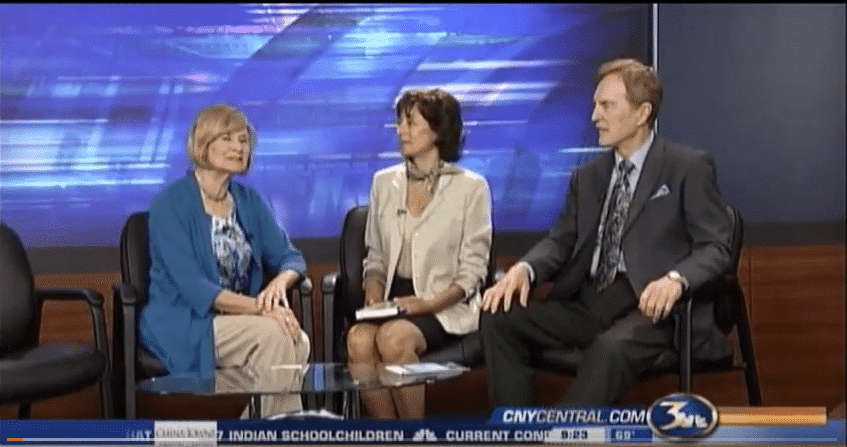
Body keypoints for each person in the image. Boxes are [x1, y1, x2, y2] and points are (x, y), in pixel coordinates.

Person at [480, 58, 733, 406]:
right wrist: (526, 268)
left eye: (607, 106)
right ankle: (516, 430)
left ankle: (564, 432)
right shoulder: (587, 177)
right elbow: (561, 241)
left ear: (642, 113)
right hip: (589, 300)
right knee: (499, 317)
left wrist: (675, 279)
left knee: (610, 348)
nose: (594, 116)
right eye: (595, 105)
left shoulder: (687, 167)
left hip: (651, 308)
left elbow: (716, 246)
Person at [140, 104, 310, 418]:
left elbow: (291, 257)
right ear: (203, 143)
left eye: (243, 140)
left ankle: (253, 432)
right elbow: (194, 287)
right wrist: (262, 308)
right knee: (276, 336)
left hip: (241, 318)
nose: (238, 147)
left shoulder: (249, 200)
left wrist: (280, 282)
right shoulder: (170, 204)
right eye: (227, 138)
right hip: (187, 321)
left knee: (298, 341)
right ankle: (278, 432)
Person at [346, 89, 492, 419]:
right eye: (399, 122)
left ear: (438, 130)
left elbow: (472, 273)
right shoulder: (383, 183)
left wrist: (425, 305)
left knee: (394, 339)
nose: (401, 130)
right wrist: (373, 295)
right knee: (358, 340)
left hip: (444, 304)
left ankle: (417, 434)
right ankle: (390, 436)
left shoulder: (471, 188)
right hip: (392, 301)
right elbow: (375, 257)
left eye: (410, 123)